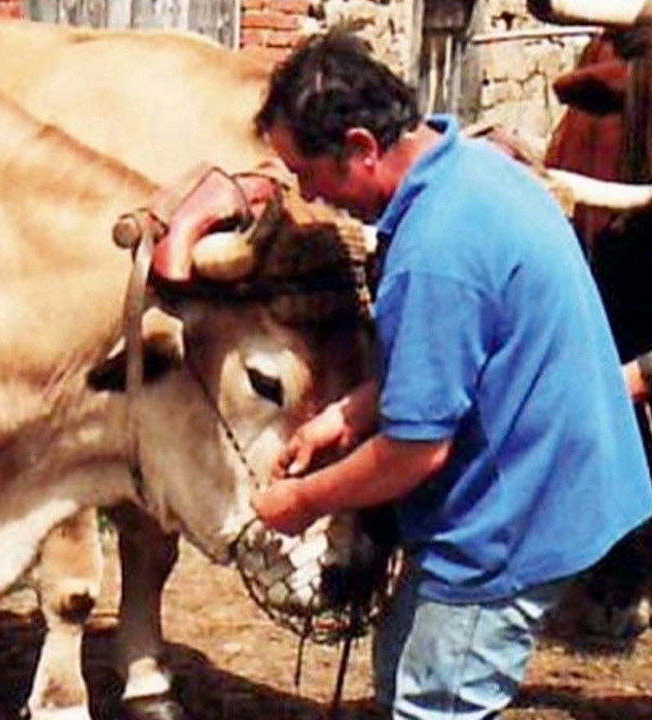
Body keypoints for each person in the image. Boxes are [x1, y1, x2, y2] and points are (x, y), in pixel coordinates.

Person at [162, 30, 652, 719]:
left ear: (362, 146)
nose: (307, 192)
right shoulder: (471, 169)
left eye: (309, 171)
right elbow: (462, 359)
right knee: (405, 668)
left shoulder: (436, 248)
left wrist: (300, 504)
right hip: (549, 471)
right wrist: (347, 415)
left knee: (437, 699)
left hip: (513, 514)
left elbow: (417, 451)